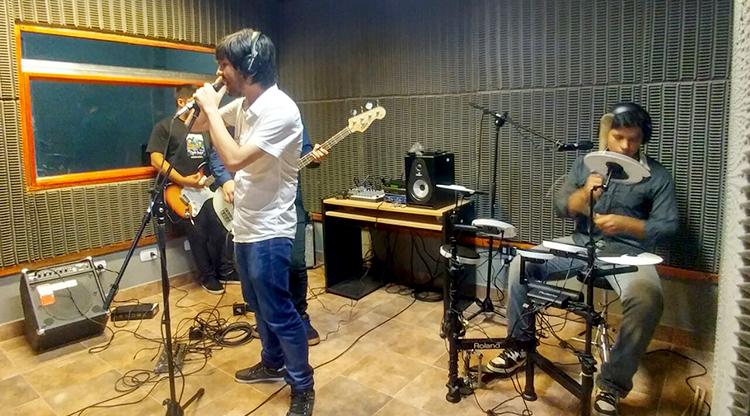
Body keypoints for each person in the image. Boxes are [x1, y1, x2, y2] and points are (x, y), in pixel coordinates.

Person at [486, 103, 678, 415]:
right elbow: (561, 205)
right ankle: (518, 346)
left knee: (648, 299)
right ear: (608, 135)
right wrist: (584, 195)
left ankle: (612, 384)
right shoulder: (588, 165)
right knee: (522, 263)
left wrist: (627, 224)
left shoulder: (657, 176)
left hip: (629, 253)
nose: (625, 146)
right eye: (618, 137)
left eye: (633, 139)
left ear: (643, 139)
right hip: (581, 243)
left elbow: (668, 226)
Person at [192, 28, 315, 416]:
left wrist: (213, 109)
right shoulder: (245, 105)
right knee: (256, 305)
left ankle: (302, 385)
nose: (219, 72)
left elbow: (233, 159)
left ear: (247, 66)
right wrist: (207, 106)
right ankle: (272, 362)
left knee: (278, 309)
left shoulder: (280, 110)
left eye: (223, 64)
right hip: (245, 225)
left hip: (271, 227)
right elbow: (198, 128)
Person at [146, 85, 238, 295]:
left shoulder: (202, 128)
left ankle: (225, 271)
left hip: (204, 188)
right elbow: (156, 160)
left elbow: (213, 157)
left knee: (222, 225)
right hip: (178, 190)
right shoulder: (165, 127)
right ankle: (207, 276)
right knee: (197, 231)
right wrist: (183, 180)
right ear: (182, 102)